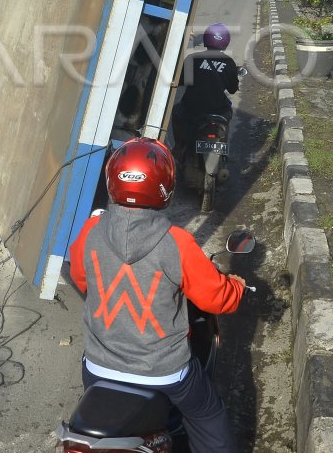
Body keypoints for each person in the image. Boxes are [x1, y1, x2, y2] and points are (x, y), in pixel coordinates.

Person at [69, 138, 246, 451]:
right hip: (164, 372)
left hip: (97, 367)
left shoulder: (90, 231)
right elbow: (216, 299)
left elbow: (81, 279)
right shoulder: (175, 242)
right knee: (208, 413)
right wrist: (237, 286)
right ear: (165, 187)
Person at [172, 24, 239, 160]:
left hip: (192, 109)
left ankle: (179, 146)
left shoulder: (193, 59)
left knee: (176, 112)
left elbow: (180, 81)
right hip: (218, 111)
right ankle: (222, 153)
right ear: (225, 42)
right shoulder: (229, 63)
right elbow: (232, 89)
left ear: (207, 39)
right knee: (227, 117)